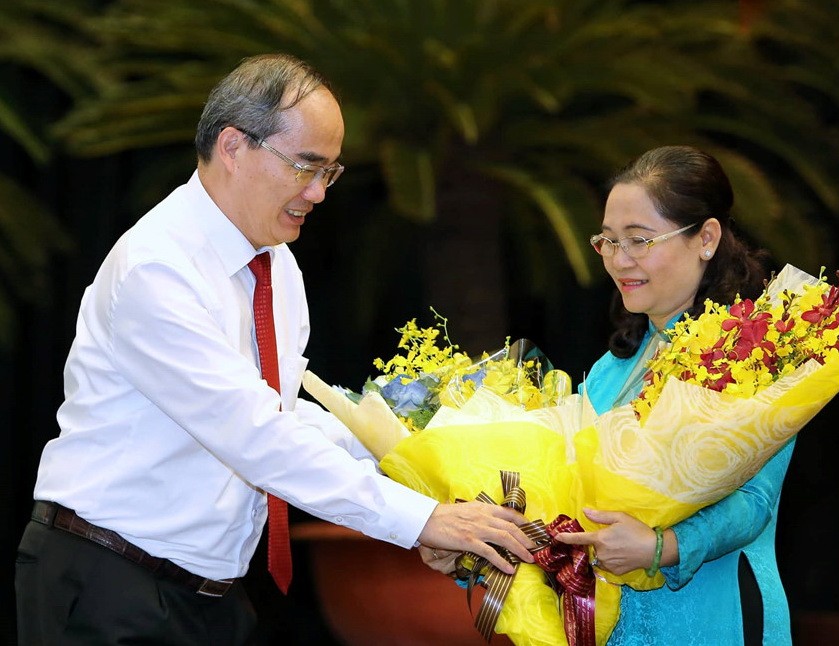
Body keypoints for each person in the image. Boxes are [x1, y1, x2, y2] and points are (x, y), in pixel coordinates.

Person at [14, 53, 534, 646]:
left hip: (209, 596)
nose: (317, 193)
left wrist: (426, 484)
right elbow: (256, 435)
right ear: (233, 147)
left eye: (331, 173)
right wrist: (421, 520)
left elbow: (286, 416)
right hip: (110, 585)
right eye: (305, 167)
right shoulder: (156, 269)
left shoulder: (276, 265)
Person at [554, 145, 794, 645]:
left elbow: (754, 502)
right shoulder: (612, 367)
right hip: (616, 621)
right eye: (608, 241)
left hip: (715, 611)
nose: (620, 261)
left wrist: (660, 545)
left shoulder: (746, 351)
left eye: (639, 241)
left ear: (706, 238)